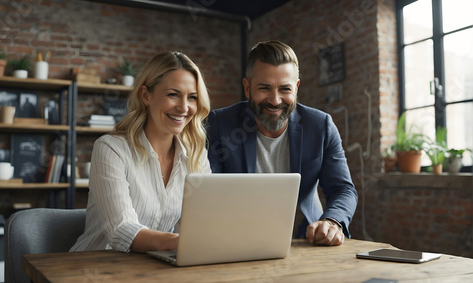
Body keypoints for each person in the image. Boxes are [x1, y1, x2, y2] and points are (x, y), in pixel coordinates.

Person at [206, 40, 358, 246]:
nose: (275, 100)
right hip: (237, 239)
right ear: (247, 87)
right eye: (264, 88)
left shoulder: (320, 125)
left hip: (307, 239)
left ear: (296, 88)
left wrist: (331, 221)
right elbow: (207, 190)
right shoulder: (219, 124)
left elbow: (343, 189)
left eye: (285, 89)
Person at [71, 51, 211, 253]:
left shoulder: (196, 156)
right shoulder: (111, 149)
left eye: (192, 98)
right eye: (173, 94)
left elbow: (204, 221)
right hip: (94, 266)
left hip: (151, 267)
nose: (184, 107)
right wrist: (177, 242)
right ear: (146, 95)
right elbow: (121, 229)